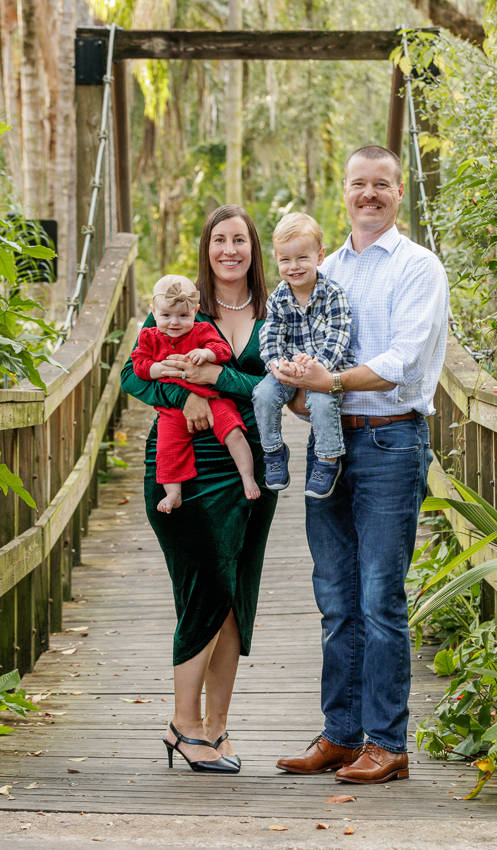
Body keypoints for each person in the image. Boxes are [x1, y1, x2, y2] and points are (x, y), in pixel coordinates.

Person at [274, 145, 449, 783]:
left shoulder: (419, 267)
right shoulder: (321, 270)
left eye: (381, 184)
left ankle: (388, 743)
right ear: (343, 191)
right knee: (336, 597)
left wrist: (328, 382)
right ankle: (342, 734)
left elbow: (402, 358)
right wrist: (296, 385)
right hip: (328, 443)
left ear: (400, 192)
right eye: (358, 184)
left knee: (380, 598)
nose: (368, 194)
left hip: (390, 443)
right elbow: (298, 346)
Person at [121, 205, 277, 774]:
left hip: (249, 464)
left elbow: (276, 384)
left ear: (254, 249)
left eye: (240, 239)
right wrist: (183, 396)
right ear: (206, 247)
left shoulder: (275, 310)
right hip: (180, 466)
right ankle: (182, 724)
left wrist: (217, 379)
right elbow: (132, 375)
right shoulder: (176, 300)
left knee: (235, 593)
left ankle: (215, 730)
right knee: (206, 582)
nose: (230, 249)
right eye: (219, 239)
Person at [131, 274, 260, 512]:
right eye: (166, 315)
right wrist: (156, 368)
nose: (174, 322)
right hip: (172, 410)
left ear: (195, 311)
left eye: (183, 315)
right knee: (167, 447)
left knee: (233, 431)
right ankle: (173, 493)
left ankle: (247, 476)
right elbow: (137, 365)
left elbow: (222, 350)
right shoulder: (149, 337)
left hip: (213, 399)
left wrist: (206, 354)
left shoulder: (201, 331)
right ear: (153, 311)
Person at [253, 212, 356, 499]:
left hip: (324, 371)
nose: (294, 266)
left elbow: (339, 336)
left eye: (302, 258)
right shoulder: (277, 298)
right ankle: (273, 452)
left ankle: (326, 460)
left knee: (323, 402)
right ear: (276, 259)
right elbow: (269, 336)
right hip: (288, 369)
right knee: (262, 394)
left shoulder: (333, 294)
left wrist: (318, 365)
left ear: (320, 256)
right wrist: (277, 365)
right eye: (285, 260)